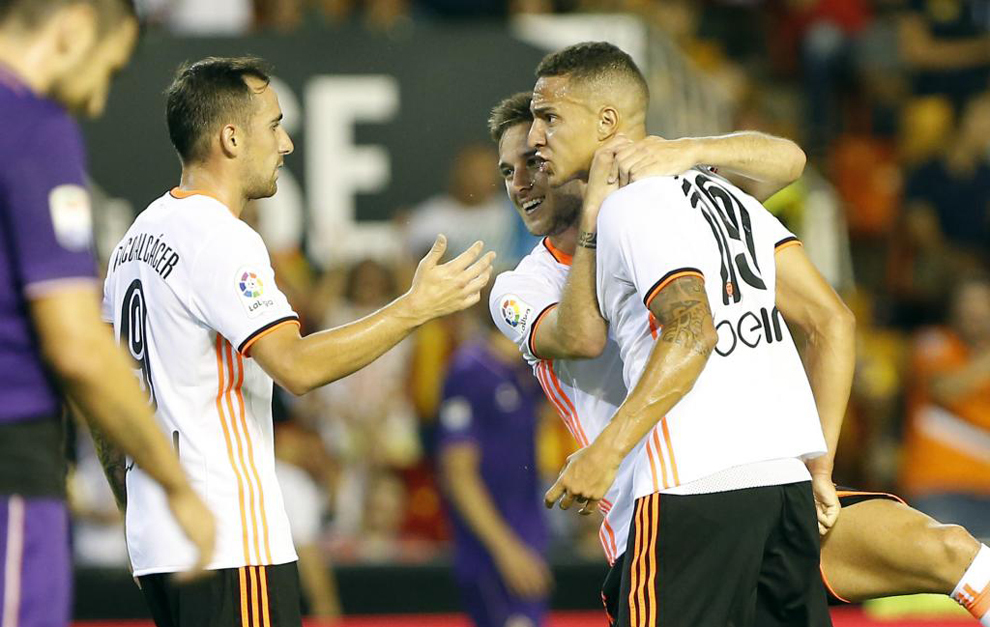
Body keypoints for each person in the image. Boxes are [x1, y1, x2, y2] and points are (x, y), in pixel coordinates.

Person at [489, 90, 990, 627]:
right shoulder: (522, 286)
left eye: (535, 162)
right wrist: (595, 218)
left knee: (950, 551)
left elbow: (792, 178)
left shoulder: (667, 216)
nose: (520, 183)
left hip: (760, 485)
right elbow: (582, 335)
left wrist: (686, 150)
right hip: (667, 517)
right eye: (507, 171)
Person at [99, 56, 494, 627]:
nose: (285, 144)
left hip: (159, 544)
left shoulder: (135, 242)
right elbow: (297, 367)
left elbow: (111, 403)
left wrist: (135, 513)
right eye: (275, 125)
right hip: (231, 544)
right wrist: (415, 308)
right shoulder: (221, 238)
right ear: (231, 137)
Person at [529, 41, 851, 626]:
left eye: (549, 117)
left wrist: (605, 452)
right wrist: (819, 465)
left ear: (607, 122)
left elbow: (691, 329)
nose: (535, 137)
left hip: (689, 490)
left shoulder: (632, 205)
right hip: (781, 488)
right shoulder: (724, 194)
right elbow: (833, 320)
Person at [0, 1, 216, 625]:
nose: (95, 102)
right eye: (109, 70)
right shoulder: (33, 125)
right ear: (70, 29)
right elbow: (76, 345)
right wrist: (175, 486)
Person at [438, 317, 551, 627]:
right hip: (493, 551)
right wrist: (507, 550)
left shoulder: (524, 371)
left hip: (527, 538)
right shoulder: (469, 372)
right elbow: (457, 473)